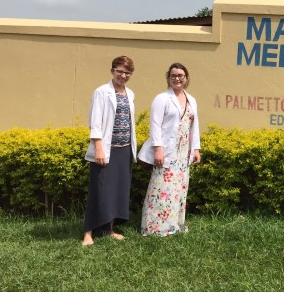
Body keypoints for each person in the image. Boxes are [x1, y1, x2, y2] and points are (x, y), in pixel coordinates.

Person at [138, 63, 201, 236]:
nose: (177, 79)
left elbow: (194, 126)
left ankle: (174, 224)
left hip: (183, 154)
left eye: (180, 75)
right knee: (161, 189)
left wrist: (196, 149)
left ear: (186, 78)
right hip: (167, 152)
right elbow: (155, 125)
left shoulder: (191, 99)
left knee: (178, 190)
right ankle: (155, 228)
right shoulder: (162, 98)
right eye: (173, 76)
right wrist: (158, 149)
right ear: (168, 78)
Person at [83, 56, 137, 246]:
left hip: (123, 150)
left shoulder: (130, 94)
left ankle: (109, 229)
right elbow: (95, 122)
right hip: (106, 149)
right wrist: (98, 148)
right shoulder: (101, 92)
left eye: (127, 72)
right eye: (120, 71)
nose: (123, 75)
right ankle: (88, 233)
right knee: (99, 189)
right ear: (112, 70)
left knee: (116, 191)